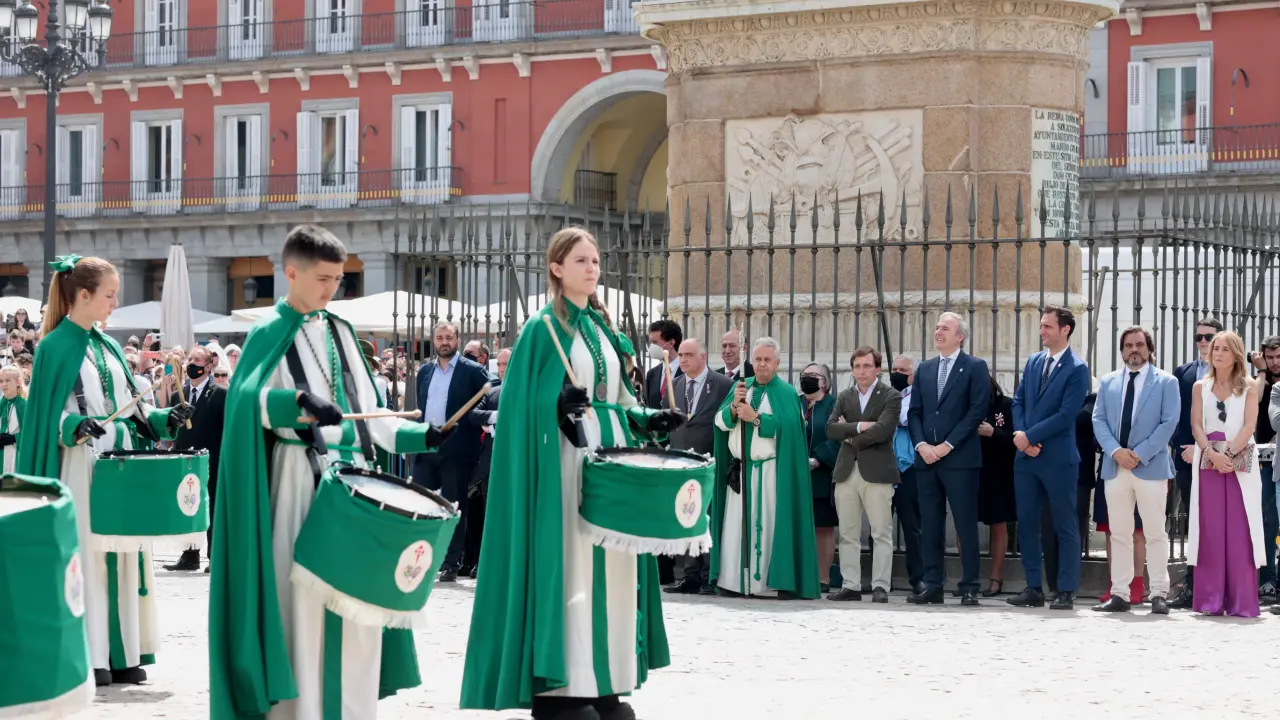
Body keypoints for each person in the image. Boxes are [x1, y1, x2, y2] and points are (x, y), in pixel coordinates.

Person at [207, 225, 450, 720]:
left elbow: (371, 415)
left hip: (355, 483)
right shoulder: (267, 332)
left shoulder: (341, 331)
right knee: (304, 603)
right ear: (291, 273)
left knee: (359, 603)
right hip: (299, 483)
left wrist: (422, 435)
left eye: (339, 279)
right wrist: (295, 401)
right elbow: (245, 403)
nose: (331, 289)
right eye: (322, 278)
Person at [460, 227, 684, 720]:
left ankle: (605, 680)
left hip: (611, 464)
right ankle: (563, 686)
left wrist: (649, 419)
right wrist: (554, 402)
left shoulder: (604, 329)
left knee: (613, 568)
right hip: (564, 465)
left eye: (595, 260)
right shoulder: (542, 329)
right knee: (573, 570)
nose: (592, 268)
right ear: (557, 268)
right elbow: (517, 406)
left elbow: (620, 401)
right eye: (581, 260)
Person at [15, 255, 194, 687]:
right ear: (83, 295)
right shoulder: (53, 347)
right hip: (80, 465)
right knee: (89, 557)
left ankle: (122, 653)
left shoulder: (108, 345)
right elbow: (43, 418)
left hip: (120, 463)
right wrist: (76, 425)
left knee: (125, 553)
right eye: (110, 295)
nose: (115, 303)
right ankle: (89, 655)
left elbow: (133, 406)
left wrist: (164, 417)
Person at [711, 337, 820, 599]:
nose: (761, 364)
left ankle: (769, 585)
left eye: (767, 360)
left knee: (769, 525)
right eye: (758, 359)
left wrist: (757, 419)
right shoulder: (740, 388)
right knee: (737, 528)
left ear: (777, 363)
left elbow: (791, 430)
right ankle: (735, 582)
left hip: (770, 472)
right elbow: (719, 422)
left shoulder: (786, 393)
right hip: (741, 472)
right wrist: (734, 409)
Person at [1007, 305, 1090, 611]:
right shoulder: (1033, 362)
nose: (1041, 331)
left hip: (1058, 459)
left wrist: (1030, 436)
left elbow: (1067, 414)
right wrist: (1021, 435)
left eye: (1047, 326)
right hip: (1026, 458)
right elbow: (1018, 401)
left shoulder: (1077, 369)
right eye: (1041, 326)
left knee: (1064, 524)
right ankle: (1033, 587)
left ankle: (1066, 589)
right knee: (1027, 523)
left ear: (1065, 330)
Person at [1091, 326, 1179, 615]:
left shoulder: (1166, 382)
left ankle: (1159, 593)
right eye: (1128, 345)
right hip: (1115, 467)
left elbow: (1169, 423)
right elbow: (1099, 420)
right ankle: (1120, 593)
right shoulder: (1108, 381)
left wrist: (1139, 454)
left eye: (1140, 345)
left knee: (1155, 533)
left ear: (1149, 349)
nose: (1134, 350)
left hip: (1151, 467)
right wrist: (1115, 451)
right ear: (1122, 350)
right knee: (1119, 533)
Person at [907, 312, 990, 606]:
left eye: (945, 328)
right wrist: (921, 445)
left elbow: (976, 410)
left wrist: (947, 445)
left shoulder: (975, 367)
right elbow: (914, 412)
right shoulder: (925, 369)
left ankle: (969, 586)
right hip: (926, 459)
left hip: (960, 459)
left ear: (960, 336)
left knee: (965, 524)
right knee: (930, 523)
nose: (938, 332)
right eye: (937, 327)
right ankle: (933, 584)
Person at [1188, 331, 1266, 618]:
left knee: (1240, 530)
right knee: (1210, 529)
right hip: (1208, 459)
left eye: (1224, 349)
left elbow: (1250, 425)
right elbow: (1196, 425)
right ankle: (1210, 599)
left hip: (1239, 461)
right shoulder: (1200, 386)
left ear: (1236, 355)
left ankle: (1241, 602)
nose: (1217, 353)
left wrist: (1229, 455)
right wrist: (1212, 454)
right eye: (1215, 348)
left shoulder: (1250, 386)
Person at [412, 321, 492, 582]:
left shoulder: (473, 371)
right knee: (422, 505)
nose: (444, 342)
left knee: (454, 507)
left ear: (458, 340)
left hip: (458, 450)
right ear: (433, 340)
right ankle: (422, 559)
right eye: (439, 337)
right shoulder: (425, 371)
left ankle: (450, 563)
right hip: (427, 446)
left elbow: (485, 399)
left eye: (449, 337)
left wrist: (478, 417)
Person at [826, 347, 902, 603]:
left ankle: (880, 585)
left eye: (867, 366)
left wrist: (850, 437)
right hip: (846, 471)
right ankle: (851, 585)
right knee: (848, 533)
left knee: (881, 532)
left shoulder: (890, 395)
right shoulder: (845, 396)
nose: (861, 371)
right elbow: (831, 429)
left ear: (877, 369)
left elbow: (883, 430)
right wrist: (859, 426)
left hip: (878, 471)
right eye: (857, 366)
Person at [664, 338, 735, 595]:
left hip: (711, 463)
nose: (682, 359)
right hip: (682, 464)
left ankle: (709, 575)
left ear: (703, 357)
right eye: (681, 355)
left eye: (688, 355)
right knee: (688, 517)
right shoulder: (674, 385)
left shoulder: (723, 385)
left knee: (709, 519)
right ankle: (690, 575)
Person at [1168, 315, 1224, 608]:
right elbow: (1176, 415)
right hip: (1186, 458)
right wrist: (1181, 446)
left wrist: (1202, 449)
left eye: (1208, 337)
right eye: (1198, 337)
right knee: (1193, 523)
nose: (1203, 342)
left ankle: (1220, 586)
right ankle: (1192, 587)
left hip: (1219, 458)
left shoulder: (1231, 373)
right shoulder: (1183, 372)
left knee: (1219, 523)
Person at [162, 345, 227, 574]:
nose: (191, 364)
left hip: (211, 460)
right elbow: (169, 430)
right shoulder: (177, 396)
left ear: (208, 367)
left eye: (197, 361)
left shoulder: (220, 394)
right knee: (188, 505)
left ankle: (215, 556)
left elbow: (227, 429)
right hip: (185, 460)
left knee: (212, 508)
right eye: (189, 359)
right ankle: (190, 556)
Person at [798, 362, 839, 594]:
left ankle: (823, 577)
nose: (808, 378)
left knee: (822, 527)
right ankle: (799, 575)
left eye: (814, 375)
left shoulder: (834, 405)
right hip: (795, 472)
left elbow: (838, 436)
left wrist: (817, 459)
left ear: (825, 381)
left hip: (822, 473)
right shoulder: (795, 402)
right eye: (805, 375)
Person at [976, 374, 1016, 597]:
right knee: (965, 525)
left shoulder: (1006, 405)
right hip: (972, 471)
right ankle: (969, 578)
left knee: (998, 525)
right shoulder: (966, 406)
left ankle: (996, 577)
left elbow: (1015, 439)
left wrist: (994, 433)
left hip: (999, 473)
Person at [889, 354, 925, 594]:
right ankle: (882, 579)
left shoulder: (918, 396)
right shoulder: (884, 395)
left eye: (903, 370)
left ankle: (918, 578)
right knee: (880, 526)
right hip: (884, 466)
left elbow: (904, 419)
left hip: (909, 467)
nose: (897, 374)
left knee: (912, 526)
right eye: (894, 369)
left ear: (913, 375)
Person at [0, 364, 26, 474]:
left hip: (16, 455)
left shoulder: (24, 405)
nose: (3, 384)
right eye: (1, 381)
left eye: (7, 380)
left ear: (18, 382)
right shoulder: (1, 404)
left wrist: (14, 438)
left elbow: (30, 433)